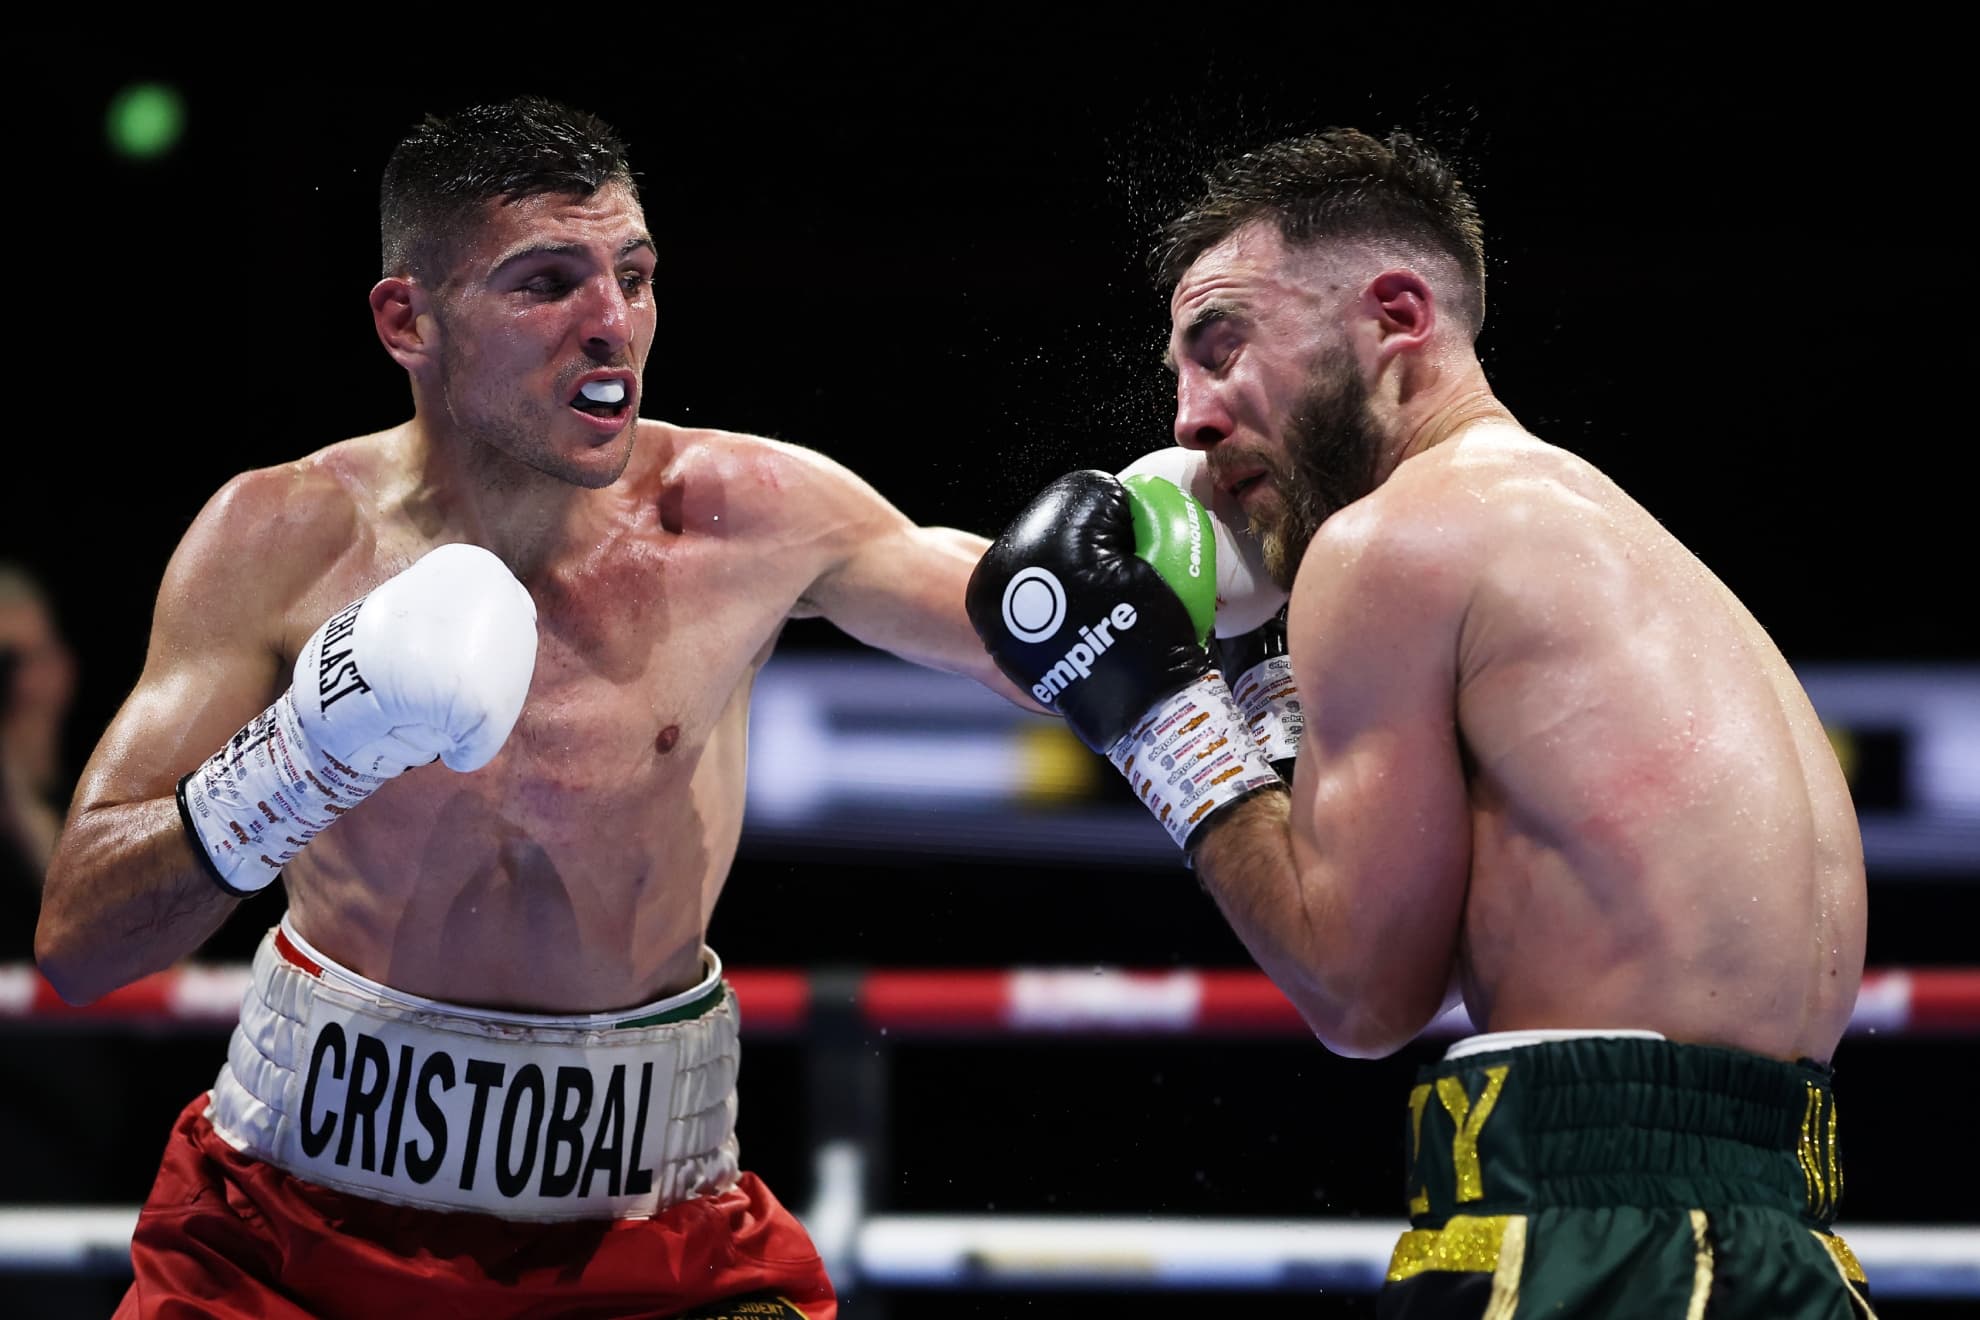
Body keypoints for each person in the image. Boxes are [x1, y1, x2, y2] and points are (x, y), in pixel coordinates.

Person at [36, 96, 1028, 1320]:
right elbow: (80, 941)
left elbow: (1039, 636)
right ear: (410, 321)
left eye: (635, 274)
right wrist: (304, 753)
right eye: (547, 282)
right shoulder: (279, 538)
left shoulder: (752, 514)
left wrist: (1203, 570)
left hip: (658, 1240)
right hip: (287, 1240)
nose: (612, 324)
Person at [967, 129, 1873, 1317]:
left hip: (1592, 1241)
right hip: (1780, 1237)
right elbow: (1460, 930)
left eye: (1221, 344)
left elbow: (1361, 995)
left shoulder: (1394, 545)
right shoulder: (1600, 532)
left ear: (1396, 315)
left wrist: (1155, 714)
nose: (1185, 418)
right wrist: (1261, 679)